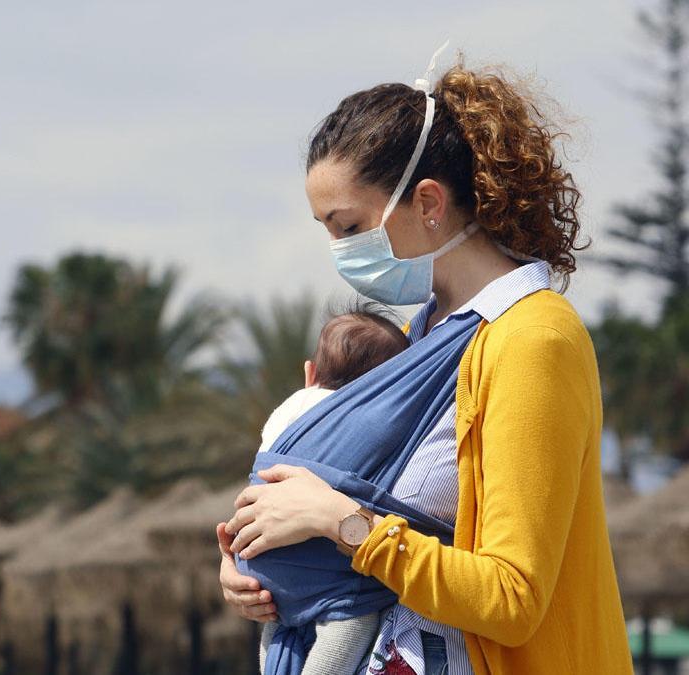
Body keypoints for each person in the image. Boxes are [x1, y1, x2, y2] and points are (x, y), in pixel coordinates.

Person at [216, 44, 632, 675]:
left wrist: (340, 524)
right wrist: (260, 563)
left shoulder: (532, 341)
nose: (338, 251)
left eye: (348, 227)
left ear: (430, 205)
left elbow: (512, 598)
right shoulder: (420, 337)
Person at [255, 306, 411, 675]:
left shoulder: (289, 408)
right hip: (330, 579)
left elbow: (263, 461)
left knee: (277, 630)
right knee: (351, 623)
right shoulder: (373, 422)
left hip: (267, 568)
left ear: (310, 373)